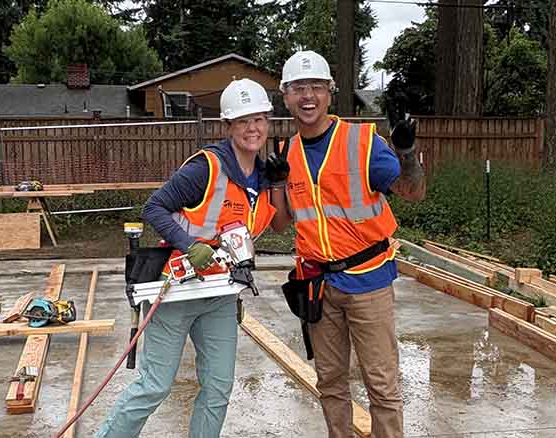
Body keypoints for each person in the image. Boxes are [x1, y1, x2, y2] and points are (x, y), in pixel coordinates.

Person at [96, 78, 277, 438]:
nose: (252, 128)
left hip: (221, 293)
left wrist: (281, 184)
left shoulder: (262, 177)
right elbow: (154, 207)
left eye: (258, 119)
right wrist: (189, 244)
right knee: (155, 385)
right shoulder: (206, 168)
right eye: (242, 121)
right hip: (177, 291)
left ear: (268, 123)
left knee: (218, 388)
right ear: (227, 126)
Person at [266, 50, 426, 438]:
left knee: (382, 385)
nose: (308, 96)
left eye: (316, 87)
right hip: (318, 285)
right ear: (285, 96)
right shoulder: (287, 153)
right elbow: (280, 224)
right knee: (330, 383)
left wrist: (406, 154)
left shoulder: (362, 142)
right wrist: (277, 184)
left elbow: (413, 192)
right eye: (298, 88)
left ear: (330, 92)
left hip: (368, 280)